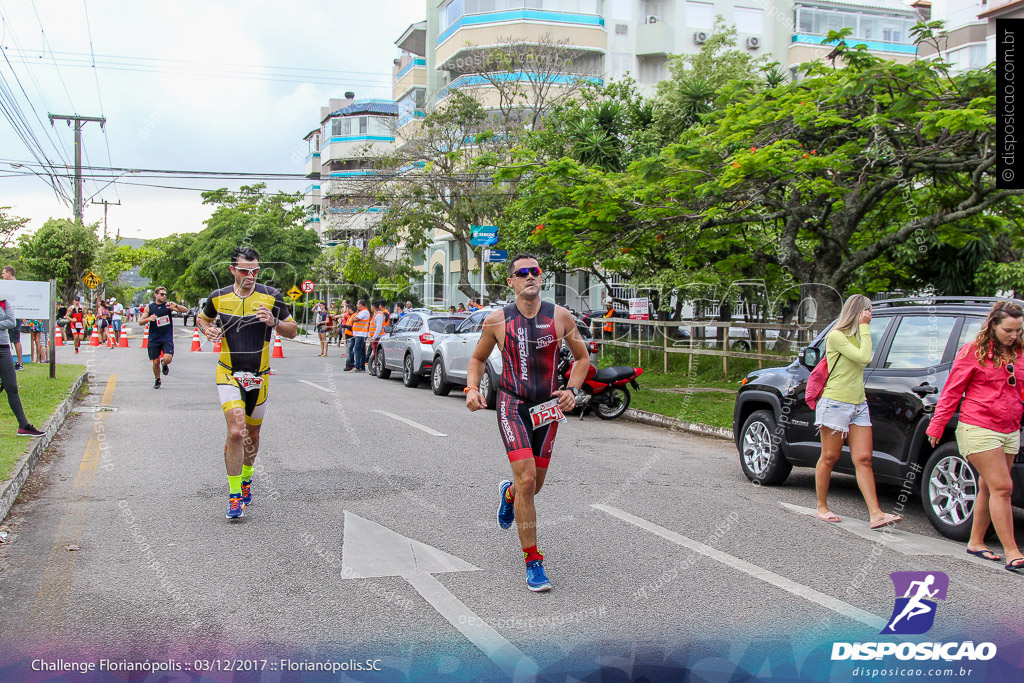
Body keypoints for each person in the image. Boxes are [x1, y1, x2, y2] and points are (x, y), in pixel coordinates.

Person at [465, 253, 590, 592]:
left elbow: (582, 358)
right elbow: (477, 359)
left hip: (548, 408)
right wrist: (472, 388)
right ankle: (533, 560)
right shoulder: (497, 320)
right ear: (512, 281)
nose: (530, 277)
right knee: (527, 478)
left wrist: (572, 390)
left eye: (535, 271)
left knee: (533, 487)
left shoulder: (560, 317)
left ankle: (508, 496)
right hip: (512, 405)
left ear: (541, 277)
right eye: (522, 273)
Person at [197, 246, 297, 520]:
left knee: (252, 436)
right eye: (244, 270)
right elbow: (202, 320)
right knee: (237, 432)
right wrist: (209, 330)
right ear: (232, 270)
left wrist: (274, 321)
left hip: (259, 376)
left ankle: (246, 478)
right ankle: (234, 497)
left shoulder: (272, 296)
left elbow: (292, 330)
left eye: (254, 270)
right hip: (228, 372)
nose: (250, 276)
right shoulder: (218, 297)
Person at [927, 300, 1024, 573]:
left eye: (1018, 330)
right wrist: (937, 424)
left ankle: (976, 541)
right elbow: (952, 392)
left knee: (990, 488)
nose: (1014, 335)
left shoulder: (1020, 354)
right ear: (993, 325)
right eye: (1008, 330)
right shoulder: (973, 352)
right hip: (978, 428)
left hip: (1010, 429)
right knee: (1003, 487)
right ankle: (1012, 552)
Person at [813, 294, 902, 530]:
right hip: (835, 403)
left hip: (859, 405)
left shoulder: (858, 336)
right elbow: (865, 357)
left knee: (863, 459)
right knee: (829, 457)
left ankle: (876, 514)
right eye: (868, 311)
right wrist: (864, 328)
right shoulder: (836, 336)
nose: (871, 316)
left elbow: (864, 358)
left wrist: (863, 331)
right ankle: (822, 506)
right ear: (858, 312)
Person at [0, 293, 43, 436]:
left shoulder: (4, 303)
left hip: (4, 348)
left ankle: (23, 425)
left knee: (11, 386)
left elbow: (12, 322)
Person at [138, 287, 188, 389]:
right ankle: (157, 379)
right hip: (154, 338)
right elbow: (140, 322)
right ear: (155, 295)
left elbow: (185, 310)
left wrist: (176, 306)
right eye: (161, 294)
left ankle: (164, 363)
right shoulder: (150, 307)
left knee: (168, 358)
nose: (164, 296)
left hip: (166, 337)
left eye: (165, 294)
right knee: (155, 361)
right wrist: (148, 319)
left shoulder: (168, 306)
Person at [1, 267, 24, 369]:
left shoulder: (17, 285)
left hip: (15, 314)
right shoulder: (4, 285)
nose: (2, 275)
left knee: (16, 339)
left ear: (9, 273)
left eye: (3, 273)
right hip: (5, 314)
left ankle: (19, 362)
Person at [351, 299, 371, 371]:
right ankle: (361, 366)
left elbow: (355, 319)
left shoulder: (364, 312)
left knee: (357, 350)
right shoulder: (362, 312)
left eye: (357, 304)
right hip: (360, 333)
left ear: (361, 305)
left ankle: (357, 366)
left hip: (361, 334)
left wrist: (354, 318)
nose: (356, 306)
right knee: (361, 350)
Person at [341, 304, 356, 369]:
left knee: (349, 351)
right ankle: (350, 363)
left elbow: (353, 327)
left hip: (351, 335)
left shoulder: (354, 316)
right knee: (350, 350)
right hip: (348, 334)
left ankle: (349, 364)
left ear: (350, 309)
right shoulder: (350, 316)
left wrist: (346, 326)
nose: (346, 310)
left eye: (347, 309)